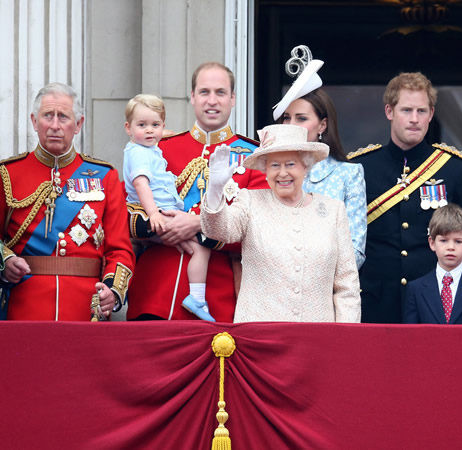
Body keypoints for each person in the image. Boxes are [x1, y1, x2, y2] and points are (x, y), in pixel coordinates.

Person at [126, 62, 268, 321]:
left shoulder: (254, 157)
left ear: (233, 99)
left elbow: (260, 230)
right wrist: (163, 231)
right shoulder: (159, 148)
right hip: (154, 294)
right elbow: (127, 212)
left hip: (218, 300)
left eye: (220, 92)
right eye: (204, 92)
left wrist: (199, 224)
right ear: (192, 97)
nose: (212, 100)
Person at [350, 72, 462, 323]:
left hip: (435, 303)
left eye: (421, 111)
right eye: (406, 110)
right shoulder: (360, 168)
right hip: (375, 304)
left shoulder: (455, 169)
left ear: (431, 115)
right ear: (389, 111)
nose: (414, 119)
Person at [0, 82, 134, 321]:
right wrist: (5, 260)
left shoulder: (105, 176)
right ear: (34, 121)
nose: (55, 125)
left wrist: (112, 291)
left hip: (85, 309)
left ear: (78, 124)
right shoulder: (8, 174)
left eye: (63, 117)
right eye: (47, 116)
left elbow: (120, 250)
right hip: (24, 308)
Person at [200, 124, 360, 322]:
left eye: (291, 164)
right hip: (260, 333)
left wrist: (346, 335)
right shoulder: (250, 201)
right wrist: (215, 191)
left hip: (317, 334)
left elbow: (347, 286)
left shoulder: (333, 210)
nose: (282, 173)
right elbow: (219, 230)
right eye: (275, 165)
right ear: (265, 170)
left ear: (306, 166)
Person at [122, 94, 214, 321]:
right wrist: (153, 213)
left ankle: (197, 298)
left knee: (189, 245)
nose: (149, 130)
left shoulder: (148, 147)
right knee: (201, 247)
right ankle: (197, 298)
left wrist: (161, 131)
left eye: (155, 125)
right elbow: (140, 184)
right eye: (142, 125)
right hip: (159, 215)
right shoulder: (140, 152)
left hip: (163, 213)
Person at [273, 46, 366, 268]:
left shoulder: (348, 174)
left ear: (322, 125)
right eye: (286, 118)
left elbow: (355, 252)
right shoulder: (269, 171)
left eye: (301, 118)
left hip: (327, 286)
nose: (291, 125)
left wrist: (307, 273)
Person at [404, 204, 462, 324]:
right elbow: (410, 332)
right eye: (444, 240)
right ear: (432, 243)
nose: (451, 247)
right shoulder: (416, 289)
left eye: (458, 241)